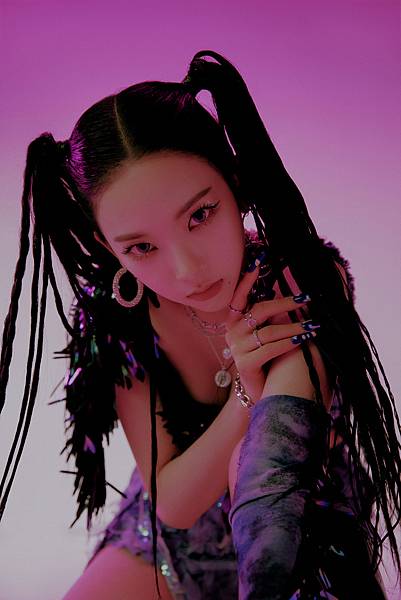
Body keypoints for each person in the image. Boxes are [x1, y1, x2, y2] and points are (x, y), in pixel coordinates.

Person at [0, 50, 400, 600]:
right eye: (142, 247)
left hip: (303, 523)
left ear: (234, 183)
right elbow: (172, 503)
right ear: (107, 247)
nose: (187, 270)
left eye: (199, 215)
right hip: (171, 543)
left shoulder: (299, 279)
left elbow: (270, 473)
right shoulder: (118, 322)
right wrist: (243, 393)